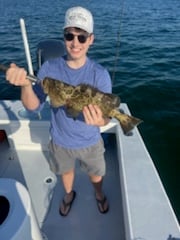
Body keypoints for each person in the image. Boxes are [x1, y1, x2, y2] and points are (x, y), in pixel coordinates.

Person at [6, 6, 112, 216]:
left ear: (91, 39)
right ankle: (69, 194)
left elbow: (106, 116)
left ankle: (99, 194)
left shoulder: (100, 75)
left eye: (82, 37)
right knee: (66, 171)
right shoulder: (48, 69)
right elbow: (33, 106)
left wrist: (99, 121)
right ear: (63, 36)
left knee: (96, 174)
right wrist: (26, 83)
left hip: (91, 142)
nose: (75, 42)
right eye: (69, 35)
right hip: (60, 141)